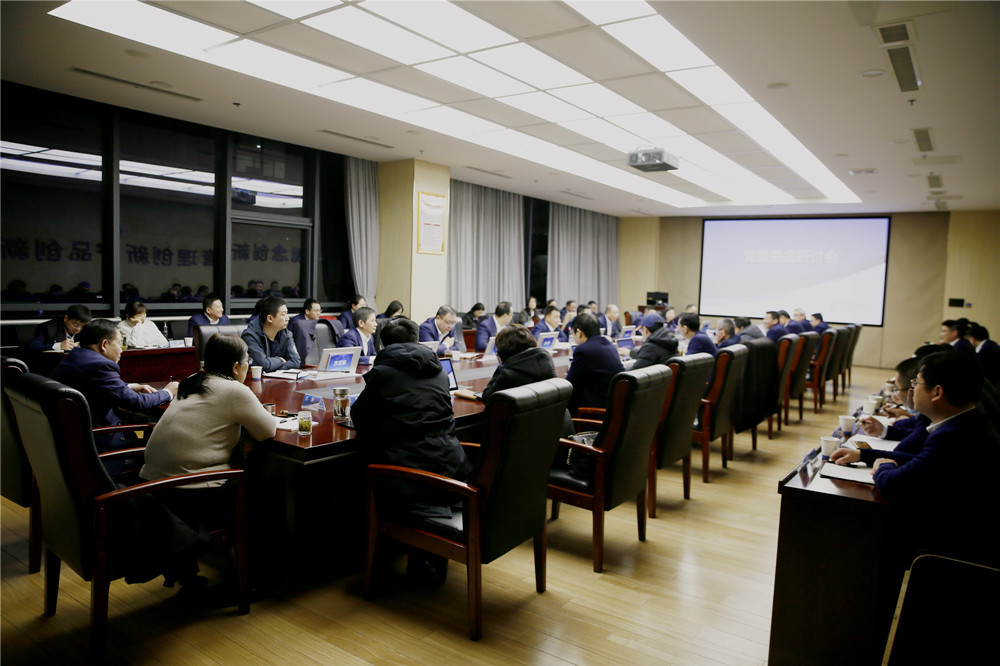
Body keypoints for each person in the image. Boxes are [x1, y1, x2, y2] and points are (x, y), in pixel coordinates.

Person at [832, 352, 1000, 565]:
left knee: (861, 529)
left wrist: (883, 467)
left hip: (954, 544)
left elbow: (894, 485)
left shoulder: (953, 435)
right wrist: (864, 455)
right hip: (962, 528)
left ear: (937, 392)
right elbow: (921, 461)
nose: (912, 389)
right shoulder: (968, 422)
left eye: (916, 383)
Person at [140, 334, 275, 532]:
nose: (249, 365)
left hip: (150, 485)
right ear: (235, 367)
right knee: (262, 487)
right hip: (189, 491)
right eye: (248, 360)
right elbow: (267, 431)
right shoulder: (234, 390)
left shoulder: (192, 380)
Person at [351, 317, 471, 521]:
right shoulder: (440, 373)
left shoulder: (383, 373)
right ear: (417, 339)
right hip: (452, 470)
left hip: (412, 481)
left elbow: (360, 418)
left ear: (383, 345)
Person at [51, 318, 177, 452]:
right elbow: (137, 402)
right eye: (119, 343)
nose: (121, 350)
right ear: (104, 344)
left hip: (72, 438)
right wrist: (168, 392)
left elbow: (96, 384)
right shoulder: (100, 365)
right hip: (100, 441)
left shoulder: (75, 357)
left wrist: (130, 387)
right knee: (164, 443)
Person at [565, 313, 624, 414]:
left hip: (595, 411)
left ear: (579, 333)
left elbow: (571, 384)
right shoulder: (609, 345)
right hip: (612, 407)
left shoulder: (583, 350)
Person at [241, 295, 300, 371]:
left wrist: (274, 367)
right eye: (283, 314)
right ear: (270, 318)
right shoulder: (250, 336)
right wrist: (281, 360)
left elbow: (296, 362)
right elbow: (262, 365)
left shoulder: (286, 334)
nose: (287, 318)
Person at [27, 303, 92, 352]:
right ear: (66, 318)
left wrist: (81, 345)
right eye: (75, 325)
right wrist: (60, 345)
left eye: (82, 326)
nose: (78, 329)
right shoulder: (48, 327)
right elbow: (33, 347)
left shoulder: (86, 328)